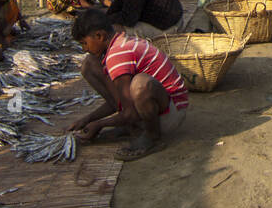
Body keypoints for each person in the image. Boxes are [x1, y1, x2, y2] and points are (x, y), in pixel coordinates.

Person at [66, 9, 189, 161]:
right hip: (154, 105)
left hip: (172, 111)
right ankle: (134, 126)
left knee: (140, 85)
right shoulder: (119, 41)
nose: (84, 48)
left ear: (99, 35)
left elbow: (130, 111)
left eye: (84, 43)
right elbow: (122, 101)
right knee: (90, 64)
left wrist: (99, 124)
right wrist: (88, 119)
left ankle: (153, 136)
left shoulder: (117, 54)